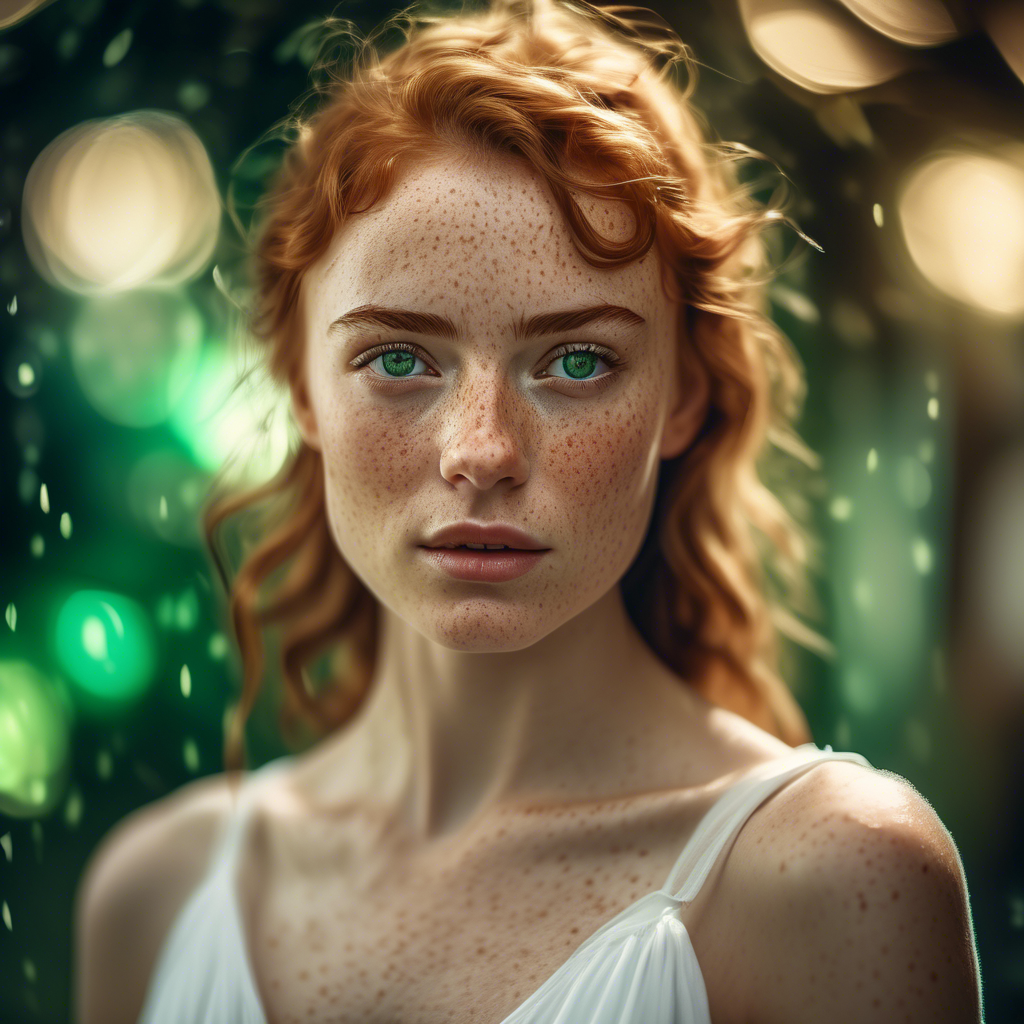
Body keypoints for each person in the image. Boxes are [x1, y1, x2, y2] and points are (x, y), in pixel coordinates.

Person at [73, 1, 983, 1022]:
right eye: (400, 359)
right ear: (300, 387)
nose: (482, 452)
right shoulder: (154, 893)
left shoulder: (827, 879)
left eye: (579, 360)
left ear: (682, 393)